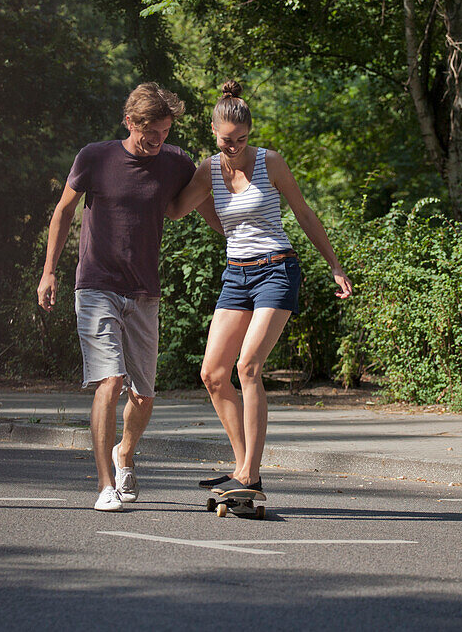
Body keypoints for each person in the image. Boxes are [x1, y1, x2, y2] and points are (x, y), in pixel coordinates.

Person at [37, 83, 220, 512]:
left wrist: (239, 236)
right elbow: (63, 212)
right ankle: (104, 485)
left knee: (143, 393)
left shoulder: (175, 162)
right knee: (111, 380)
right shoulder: (95, 157)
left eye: (164, 132)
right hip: (97, 285)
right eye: (149, 132)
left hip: (143, 293)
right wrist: (48, 272)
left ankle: (125, 455)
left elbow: (191, 206)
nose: (157, 141)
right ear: (129, 121)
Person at [171, 80, 352, 495]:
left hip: (276, 270)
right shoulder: (207, 170)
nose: (234, 146)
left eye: (242, 139)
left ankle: (250, 476)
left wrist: (335, 265)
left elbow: (303, 213)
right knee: (213, 373)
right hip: (236, 274)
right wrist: (162, 169)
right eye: (226, 140)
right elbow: (178, 208)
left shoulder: (271, 162)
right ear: (213, 133)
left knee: (247, 366)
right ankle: (242, 468)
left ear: (250, 134)